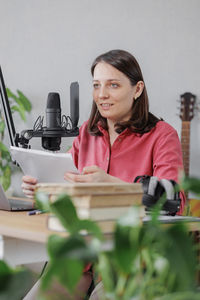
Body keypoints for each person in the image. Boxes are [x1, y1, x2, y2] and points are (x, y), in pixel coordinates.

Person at [22, 49, 185, 299]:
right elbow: (69, 190)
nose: (102, 95)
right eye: (97, 85)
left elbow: (173, 200)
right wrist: (43, 189)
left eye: (113, 85)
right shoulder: (86, 133)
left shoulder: (162, 135)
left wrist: (113, 185)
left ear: (137, 89)